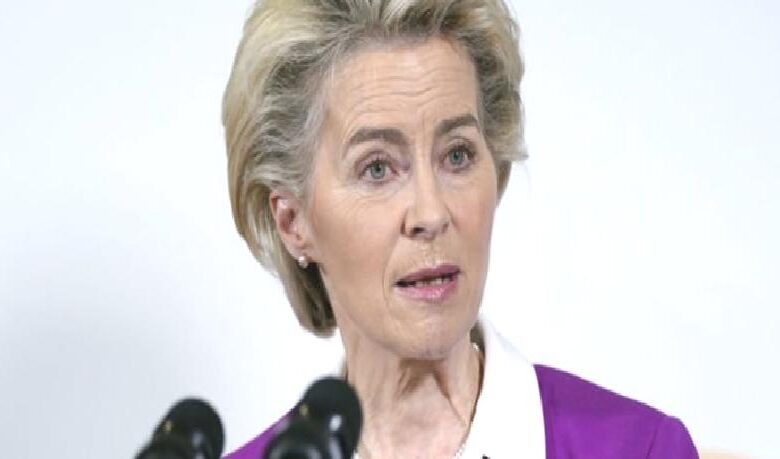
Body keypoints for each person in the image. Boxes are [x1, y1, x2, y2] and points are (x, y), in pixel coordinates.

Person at [220, 0, 698, 457]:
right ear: (293, 221)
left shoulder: (640, 449)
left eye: (457, 155)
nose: (431, 214)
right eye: (377, 168)